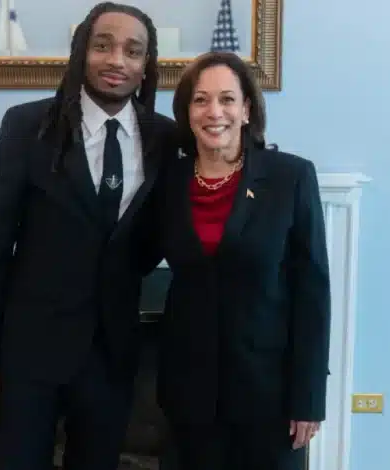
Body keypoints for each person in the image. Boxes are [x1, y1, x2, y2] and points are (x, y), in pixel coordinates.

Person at [0, 3, 176, 469]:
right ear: (81, 52)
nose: (116, 60)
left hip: (112, 355)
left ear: (146, 66)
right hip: (28, 357)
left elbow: (158, 235)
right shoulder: (26, 126)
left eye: (132, 51)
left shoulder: (165, 138)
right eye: (103, 45)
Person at [149, 51, 332, 470]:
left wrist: (308, 399)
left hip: (270, 398)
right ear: (187, 113)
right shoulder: (169, 182)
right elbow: (132, 256)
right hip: (189, 395)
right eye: (201, 100)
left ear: (247, 109)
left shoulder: (291, 177)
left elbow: (313, 294)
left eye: (228, 99)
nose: (215, 112)